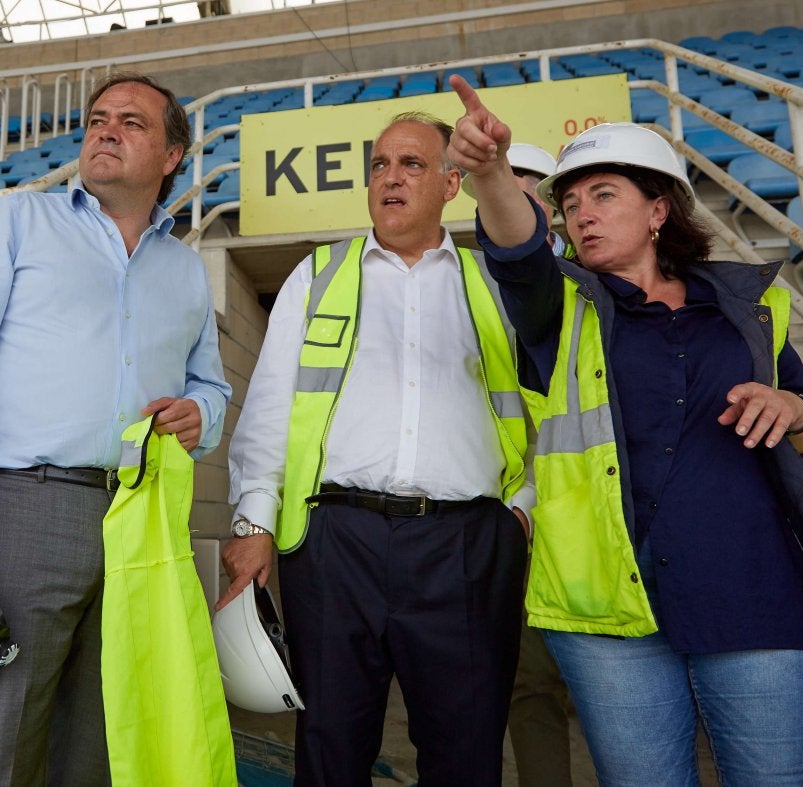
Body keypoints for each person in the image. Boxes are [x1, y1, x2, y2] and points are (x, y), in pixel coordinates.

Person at [449, 74, 803, 785]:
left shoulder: (746, 304)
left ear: (659, 209)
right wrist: (490, 174)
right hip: (613, 617)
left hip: (762, 596)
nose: (582, 216)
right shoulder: (563, 307)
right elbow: (517, 250)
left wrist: (796, 411)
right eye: (570, 204)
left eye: (604, 196)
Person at [0, 72, 230, 786]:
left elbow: (210, 386)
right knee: (1, 729)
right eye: (98, 118)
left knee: (101, 731)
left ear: (172, 156)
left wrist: (202, 414)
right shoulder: (19, 222)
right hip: (26, 505)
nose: (105, 130)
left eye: (131, 122)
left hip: (138, 517)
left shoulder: (186, 271)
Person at [221, 111, 534, 785]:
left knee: (466, 753)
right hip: (337, 545)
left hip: (467, 548)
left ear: (453, 184)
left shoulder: (494, 284)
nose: (391, 178)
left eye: (412, 164)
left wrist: (521, 514)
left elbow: (547, 408)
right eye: (380, 165)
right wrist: (253, 524)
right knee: (330, 749)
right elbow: (272, 406)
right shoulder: (318, 275)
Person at [475, 141, 577, 787]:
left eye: (527, 185)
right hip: (513, 519)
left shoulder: (598, 278)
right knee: (529, 684)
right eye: (502, 184)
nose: (513, 196)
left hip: (589, 512)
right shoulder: (464, 282)